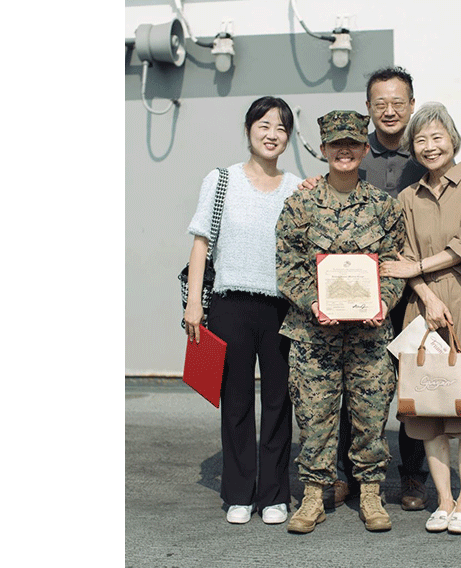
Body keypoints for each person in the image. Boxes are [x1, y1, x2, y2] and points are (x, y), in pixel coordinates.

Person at [301, 67, 461, 512]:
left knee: (424, 385)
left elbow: (460, 210)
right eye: (380, 103)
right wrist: (313, 181)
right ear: (368, 109)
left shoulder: (423, 157)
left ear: (411, 105)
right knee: (357, 387)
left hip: (413, 293)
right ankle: (349, 476)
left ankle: (413, 478)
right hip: (358, 295)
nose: (390, 110)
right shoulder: (353, 155)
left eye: (398, 102)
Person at [276, 110, 406, 533]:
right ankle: (314, 496)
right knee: (315, 417)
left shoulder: (383, 208)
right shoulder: (300, 204)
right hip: (315, 333)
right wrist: (314, 302)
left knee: (370, 415)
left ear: (365, 149)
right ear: (325, 150)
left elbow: (392, 264)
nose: (344, 151)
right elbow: (288, 267)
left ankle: (371, 494)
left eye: (352, 144)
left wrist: (384, 303)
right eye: (336, 145)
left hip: (368, 335)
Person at [183, 96, 302, 526]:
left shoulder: (296, 188)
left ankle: (273, 495)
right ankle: (238, 492)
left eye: (281, 127)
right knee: (234, 402)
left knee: (277, 401)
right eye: (263, 125)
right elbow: (201, 243)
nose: (272, 134)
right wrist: (195, 302)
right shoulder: (219, 181)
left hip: (279, 308)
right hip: (230, 302)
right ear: (249, 129)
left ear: (288, 137)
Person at [380, 102, 461, 535]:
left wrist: (417, 269)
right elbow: (403, 258)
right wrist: (424, 292)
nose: (430, 147)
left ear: (453, 139)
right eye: (421, 140)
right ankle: (443, 500)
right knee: (428, 406)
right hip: (424, 306)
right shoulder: (408, 198)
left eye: (437, 137)